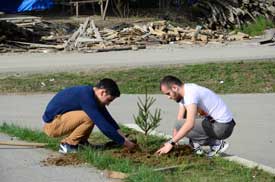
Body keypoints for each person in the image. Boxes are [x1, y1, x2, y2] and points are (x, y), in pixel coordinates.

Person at [42, 78, 136, 154]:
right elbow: (103, 126)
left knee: (92, 115)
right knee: (90, 117)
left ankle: (81, 143)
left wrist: (124, 138)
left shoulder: (92, 95)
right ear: (103, 92)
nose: (108, 104)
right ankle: (68, 145)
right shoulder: (86, 96)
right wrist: (124, 143)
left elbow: (108, 119)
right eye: (109, 100)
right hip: (52, 125)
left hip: (60, 121)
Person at [156, 75, 236, 157]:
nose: (168, 97)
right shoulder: (184, 91)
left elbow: (190, 124)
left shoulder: (190, 94)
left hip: (223, 127)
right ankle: (196, 146)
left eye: (168, 93)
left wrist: (171, 143)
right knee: (181, 123)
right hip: (219, 124)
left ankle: (217, 144)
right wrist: (174, 141)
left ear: (175, 88)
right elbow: (180, 119)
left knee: (186, 124)